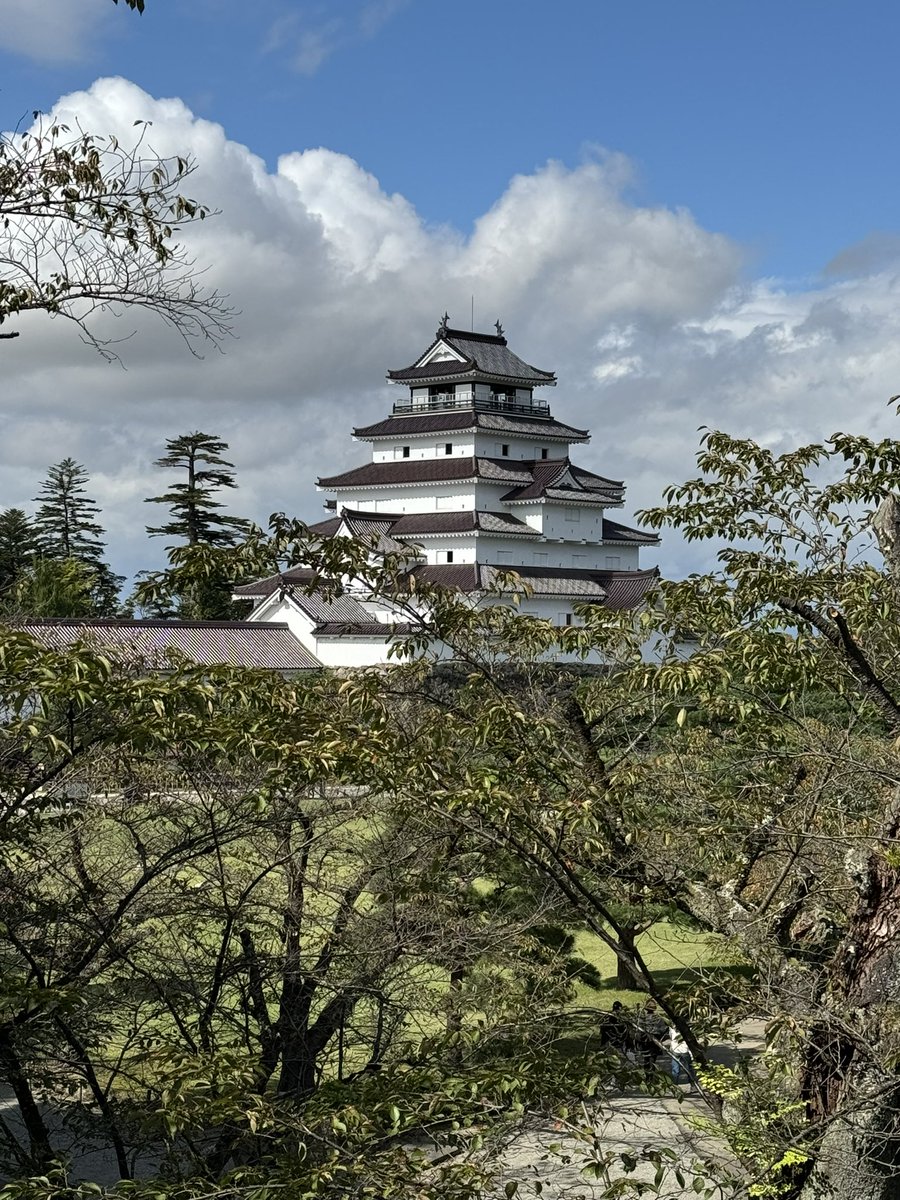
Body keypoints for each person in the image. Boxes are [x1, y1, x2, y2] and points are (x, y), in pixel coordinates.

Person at [635, 999, 666, 1071]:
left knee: (646, 1059)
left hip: (644, 1042)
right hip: (654, 1042)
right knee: (653, 1060)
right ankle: (651, 1076)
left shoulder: (642, 1018)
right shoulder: (659, 1018)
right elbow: (662, 1030)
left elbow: (638, 1030)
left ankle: (648, 1076)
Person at [668, 1024, 697, 1090]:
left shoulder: (672, 1028)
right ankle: (693, 1085)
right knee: (689, 1068)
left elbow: (671, 1036)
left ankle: (675, 1087)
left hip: (676, 1050)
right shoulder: (688, 1028)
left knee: (675, 1070)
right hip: (684, 1050)